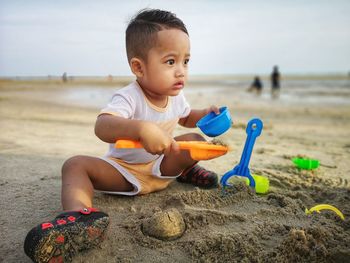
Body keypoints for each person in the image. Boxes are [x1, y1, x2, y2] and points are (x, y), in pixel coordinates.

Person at [24, 8, 220, 262]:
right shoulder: (128, 97)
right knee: (75, 165)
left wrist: (206, 115)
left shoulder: (176, 96)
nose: (181, 71)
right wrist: (140, 128)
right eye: (171, 62)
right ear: (139, 67)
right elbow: (103, 126)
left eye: (186, 61)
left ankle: (184, 171)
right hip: (125, 172)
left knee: (194, 140)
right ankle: (79, 217)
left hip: (162, 168)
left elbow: (185, 117)